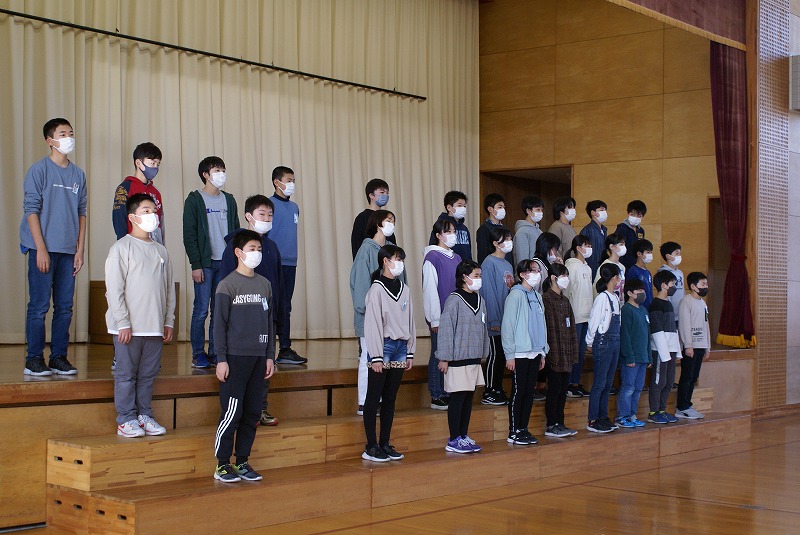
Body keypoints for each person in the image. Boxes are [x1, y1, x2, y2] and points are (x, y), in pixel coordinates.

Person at [20, 118, 86, 376]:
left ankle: (59, 357)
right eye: (63, 133)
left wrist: (80, 250)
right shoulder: (39, 170)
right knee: (39, 307)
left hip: (68, 250)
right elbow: (31, 210)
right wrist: (41, 248)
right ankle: (33, 359)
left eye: (71, 133)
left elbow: (82, 213)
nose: (69, 137)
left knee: (65, 307)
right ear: (50, 140)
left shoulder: (78, 174)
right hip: (43, 248)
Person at [106, 194, 175, 437]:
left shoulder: (161, 251)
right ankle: (126, 419)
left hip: (154, 327)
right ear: (133, 217)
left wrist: (168, 320)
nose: (152, 215)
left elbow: (168, 289)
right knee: (126, 376)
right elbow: (114, 290)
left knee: (147, 376)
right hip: (129, 328)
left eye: (154, 211)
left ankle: (144, 415)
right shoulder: (121, 248)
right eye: (146, 211)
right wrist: (123, 323)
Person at [212, 230, 276, 482]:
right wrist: (221, 359)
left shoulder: (265, 284)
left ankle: (242, 461)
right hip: (235, 358)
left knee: (252, 412)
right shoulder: (227, 285)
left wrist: (269, 355)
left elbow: (269, 323)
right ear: (238, 252)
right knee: (232, 413)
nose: (256, 253)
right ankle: (222, 464)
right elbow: (219, 325)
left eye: (259, 249)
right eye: (252, 249)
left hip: (259, 358)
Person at [220, 195, 283, 426]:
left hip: (265, 318)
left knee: (265, 365)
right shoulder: (234, 247)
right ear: (249, 216)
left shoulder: (272, 247)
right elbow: (225, 282)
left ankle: (259, 409)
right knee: (241, 368)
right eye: (261, 214)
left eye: (270, 215)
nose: (266, 219)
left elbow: (278, 283)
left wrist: (279, 315)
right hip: (241, 319)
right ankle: (238, 411)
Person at [183, 156, 240, 369]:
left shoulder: (229, 200)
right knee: (201, 310)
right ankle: (198, 353)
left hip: (225, 264)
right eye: (217, 170)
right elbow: (189, 234)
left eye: (223, 170)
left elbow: (236, 231)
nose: (221, 174)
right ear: (205, 175)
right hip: (205, 264)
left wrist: (235, 261)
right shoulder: (194, 200)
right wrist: (195, 264)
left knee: (220, 310)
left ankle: (216, 352)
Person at [360, 244, 415, 462]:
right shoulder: (376, 289)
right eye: (397, 259)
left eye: (402, 259)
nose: (400, 263)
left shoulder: (405, 289)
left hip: (400, 347)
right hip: (383, 347)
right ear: (385, 261)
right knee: (374, 396)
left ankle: (384, 443)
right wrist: (376, 355)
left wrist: (410, 350)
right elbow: (372, 324)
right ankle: (371, 446)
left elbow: (410, 320)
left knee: (390, 398)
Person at [351, 210, 400, 415]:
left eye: (393, 221)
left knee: (386, 359)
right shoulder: (366, 250)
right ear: (378, 224)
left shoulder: (392, 251)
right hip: (370, 317)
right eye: (388, 220)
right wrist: (369, 311)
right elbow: (361, 285)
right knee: (369, 358)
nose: (391, 224)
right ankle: (365, 401)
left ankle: (380, 399)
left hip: (390, 318)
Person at [438, 260, 490, 453]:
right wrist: (444, 357)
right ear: (464, 277)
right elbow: (446, 330)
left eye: (480, 276)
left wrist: (484, 353)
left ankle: (463, 435)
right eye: (476, 276)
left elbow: (484, 328)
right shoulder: (454, 300)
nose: (479, 279)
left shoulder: (480, 300)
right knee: (458, 398)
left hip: (474, 358)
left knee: (468, 398)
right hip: (457, 359)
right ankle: (453, 439)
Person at [501, 259, 548, 445]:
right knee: (519, 391)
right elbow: (508, 326)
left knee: (529, 392)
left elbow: (542, 325)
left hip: (535, 352)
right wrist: (509, 354)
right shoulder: (515, 295)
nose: (536, 274)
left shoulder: (537, 296)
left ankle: (523, 428)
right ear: (522, 274)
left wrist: (543, 351)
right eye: (532, 270)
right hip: (520, 353)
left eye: (537, 270)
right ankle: (514, 430)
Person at [423, 219, 463, 410]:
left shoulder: (457, 257)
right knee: (439, 353)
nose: (452, 235)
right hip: (440, 315)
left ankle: (448, 390)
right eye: (448, 232)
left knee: (452, 353)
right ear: (438, 235)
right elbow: (430, 289)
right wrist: (435, 318)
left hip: (456, 313)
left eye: (454, 231)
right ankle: (436, 393)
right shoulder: (432, 256)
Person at [270, 166, 307, 364]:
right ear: (277, 182)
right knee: (271, 304)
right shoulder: (269, 204)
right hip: (273, 262)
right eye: (288, 180)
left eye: (293, 180)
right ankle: (267, 349)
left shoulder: (294, 207)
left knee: (285, 306)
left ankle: (285, 349)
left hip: (290, 263)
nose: (292, 184)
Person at [542, 263, 579, 438]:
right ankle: (552, 424)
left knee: (563, 391)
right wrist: (547, 353)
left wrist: (573, 353)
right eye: (563, 275)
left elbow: (572, 329)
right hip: (553, 353)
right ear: (553, 278)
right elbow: (545, 329)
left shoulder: (565, 301)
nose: (566, 279)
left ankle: (561, 422)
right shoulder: (546, 299)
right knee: (554, 390)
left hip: (566, 353)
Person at [479, 227, 515, 406]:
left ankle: (498, 387)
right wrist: (493, 319)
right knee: (495, 354)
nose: (509, 242)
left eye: (509, 238)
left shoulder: (508, 264)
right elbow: (488, 293)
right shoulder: (489, 263)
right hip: (495, 318)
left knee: (502, 354)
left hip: (507, 319)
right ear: (495, 243)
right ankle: (489, 390)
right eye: (505, 239)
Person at [585, 263, 622, 433]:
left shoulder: (615, 297)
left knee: (608, 383)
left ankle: (603, 416)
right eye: (618, 276)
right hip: (603, 342)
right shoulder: (602, 298)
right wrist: (589, 342)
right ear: (613, 278)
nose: (619, 280)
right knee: (599, 383)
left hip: (615, 342)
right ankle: (593, 420)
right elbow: (593, 321)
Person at [112, 142, 165, 244]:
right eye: (153, 163)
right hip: (132, 245)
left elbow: (160, 222)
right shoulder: (125, 188)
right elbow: (119, 219)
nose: (155, 168)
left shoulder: (156, 192)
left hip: (154, 245)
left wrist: (161, 246)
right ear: (138, 163)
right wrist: (124, 245)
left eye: (158, 164)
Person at [647, 270, 681, 425]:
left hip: (671, 349)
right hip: (661, 351)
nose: (674, 286)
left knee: (668, 382)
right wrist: (664, 353)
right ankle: (653, 412)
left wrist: (677, 350)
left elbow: (673, 329)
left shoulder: (669, 304)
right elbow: (657, 330)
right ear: (663, 285)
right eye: (672, 283)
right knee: (658, 381)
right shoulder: (655, 304)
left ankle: (662, 410)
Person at [616, 278, 650, 429]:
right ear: (629, 293)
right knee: (628, 388)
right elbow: (625, 335)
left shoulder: (643, 310)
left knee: (637, 388)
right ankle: (622, 416)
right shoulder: (626, 310)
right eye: (639, 291)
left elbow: (647, 335)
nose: (643, 293)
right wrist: (629, 356)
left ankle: (632, 415)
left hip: (643, 357)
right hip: (631, 359)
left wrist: (649, 356)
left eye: (643, 290)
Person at [676, 272, 710, 420]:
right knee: (687, 375)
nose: (705, 286)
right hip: (691, 346)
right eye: (703, 284)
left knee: (694, 376)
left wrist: (707, 346)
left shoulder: (703, 303)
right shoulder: (686, 301)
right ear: (693, 286)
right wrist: (688, 345)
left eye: (706, 284)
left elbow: (706, 324)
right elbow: (684, 324)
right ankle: (682, 407)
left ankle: (687, 405)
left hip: (701, 345)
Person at [564, 235, 593, 398]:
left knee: (581, 352)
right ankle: (568, 383)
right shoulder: (571, 266)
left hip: (586, 316)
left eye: (590, 245)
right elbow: (567, 292)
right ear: (578, 248)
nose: (589, 248)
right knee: (573, 352)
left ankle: (576, 382)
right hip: (574, 316)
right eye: (586, 245)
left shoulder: (588, 268)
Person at [350, 178, 396, 259]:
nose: (385, 195)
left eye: (387, 193)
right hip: (370, 261)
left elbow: (392, 242)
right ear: (371, 195)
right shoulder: (362, 218)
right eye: (382, 192)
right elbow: (357, 245)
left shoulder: (387, 218)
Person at [428, 190, 472, 261]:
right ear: (449, 207)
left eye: (464, 206)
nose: (463, 209)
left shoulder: (464, 228)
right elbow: (434, 246)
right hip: (448, 263)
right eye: (459, 205)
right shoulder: (441, 225)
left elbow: (468, 250)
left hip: (464, 265)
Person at [476, 193, 512, 264]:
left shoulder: (505, 228)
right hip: (492, 266)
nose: (503, 210)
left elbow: (509, 253)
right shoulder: (484, 229)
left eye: (503, 207)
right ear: (490, 209)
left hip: (507, 266)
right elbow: (482, 254)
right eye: (500, 207)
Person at [595, 233, 627, 303]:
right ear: (612, 246)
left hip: (619, 304)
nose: (624, 247)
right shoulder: (605, 266)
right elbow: (597, 289)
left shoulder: (622, 267)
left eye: (624, 245)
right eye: (621, 244)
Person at [579, 200, 608, 279]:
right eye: (601, 210)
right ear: (593, 212)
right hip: (591, 267)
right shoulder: (587, 230)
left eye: (605, 210)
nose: (604, 212)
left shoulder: (604, 230)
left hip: (602, 267)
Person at [615, 200, 647, 270]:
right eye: (632, 214)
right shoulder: (622, 229)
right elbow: (618, 249)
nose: (635, 217)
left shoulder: (641, 230)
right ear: (628, 213)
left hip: (637, 265)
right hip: (624, 265)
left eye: (639, 216)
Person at [658, 241, 685, 321]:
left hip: (680, 313)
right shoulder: (664, 272)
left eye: (679, 254)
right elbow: (665, 294)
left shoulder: (680, 273)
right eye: (677, 253)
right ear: (668, 256)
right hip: (669, 313)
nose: (679, 256)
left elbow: (683, 291)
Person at [513, 195, 544, 266]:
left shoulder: (539, 231)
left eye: (541, 210)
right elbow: (522, 258)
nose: (541, 213)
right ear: (528, 211)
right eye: (538, 210)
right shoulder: (522, 232)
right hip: (528, 271)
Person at [626, 239, 655, 309]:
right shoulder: (633, 271)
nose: (650, 255)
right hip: (639, 308)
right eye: (648, 252)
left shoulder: (648, 272)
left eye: (651, 252)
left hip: (648, 308)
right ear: (639, 254)